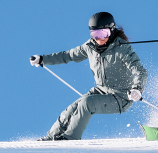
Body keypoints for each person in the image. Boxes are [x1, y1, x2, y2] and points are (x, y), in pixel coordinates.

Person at [30, 12, 148, 141]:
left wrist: (137, 89)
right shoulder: (90, 47)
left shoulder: (122, 48)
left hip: (122, 96)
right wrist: (43, 59)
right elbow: (68, 55)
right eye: (95, 34)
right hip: (101, 90)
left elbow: (140, 71)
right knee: (72, 108)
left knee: (87, 103)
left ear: (111, 30)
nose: (99, 39)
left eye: (103, 34)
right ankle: (52, 137)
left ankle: (70, 138)